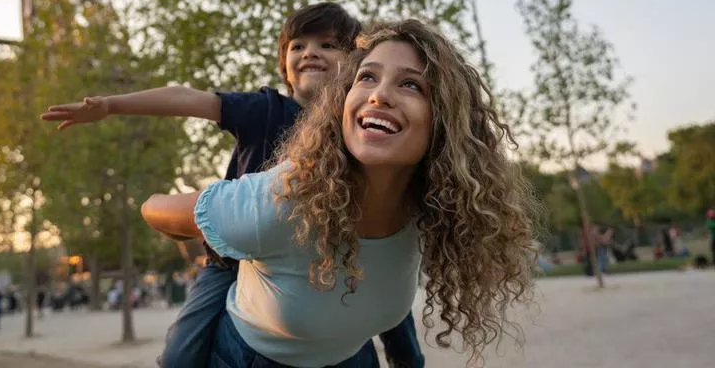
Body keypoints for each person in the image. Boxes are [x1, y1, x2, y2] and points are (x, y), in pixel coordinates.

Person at [41, 3, 423, 368]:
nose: (311, 53)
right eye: (298, 46)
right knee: (180, 356)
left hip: (335, 247)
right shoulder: (265, 109)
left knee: (394, 319)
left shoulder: (360, 125)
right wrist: (111, 105)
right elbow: (189, 98)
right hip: (234, 257)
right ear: (284, 68)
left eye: (327, 45)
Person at [142, 20, 537, 367]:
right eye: (367, 77)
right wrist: (216, 239)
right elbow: (153, 209)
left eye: (411, 84)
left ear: (445, 125)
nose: (379, 95)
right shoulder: (281, 200)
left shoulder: (438, 208)